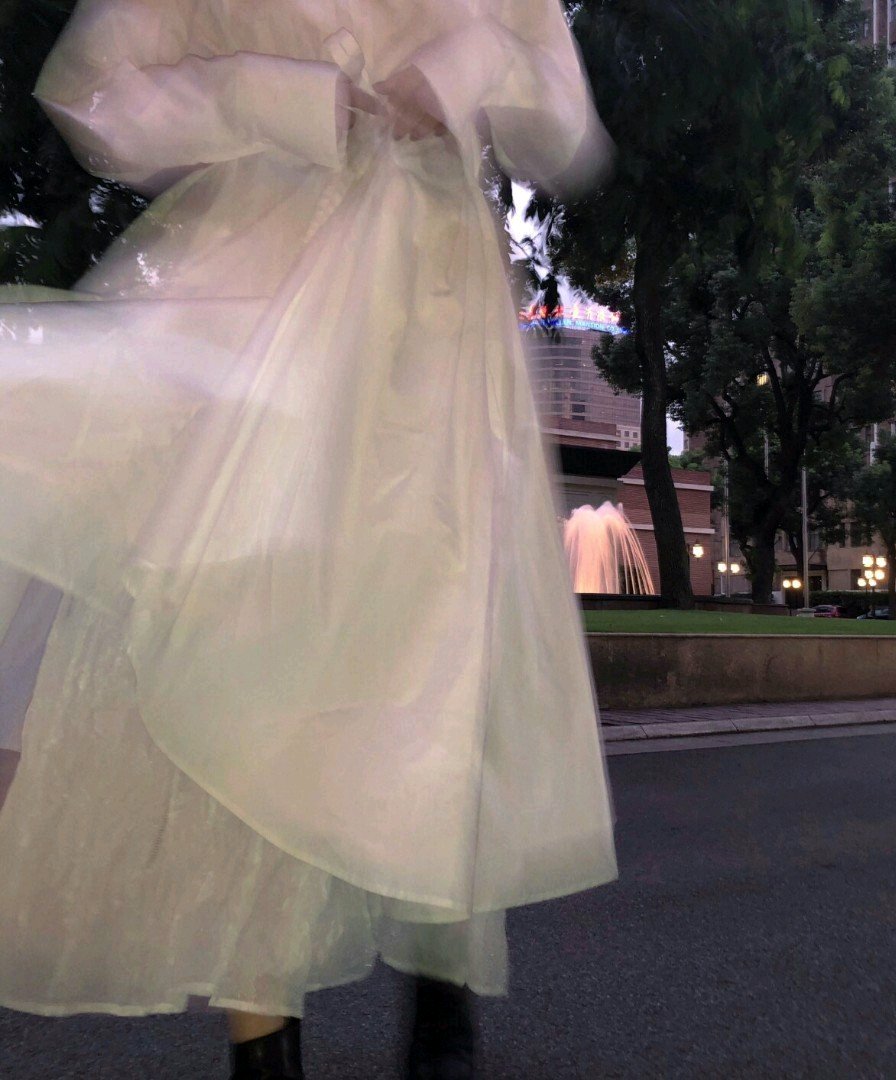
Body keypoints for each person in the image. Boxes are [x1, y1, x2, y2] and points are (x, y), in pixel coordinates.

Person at [0, 0, 617, 1076]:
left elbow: (564, 115)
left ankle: (441, 982)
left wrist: (462, 66)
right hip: (256, 306)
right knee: (249, 657)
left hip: (430, 330)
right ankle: (264, 1040)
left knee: (431, 666)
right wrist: (283, 100)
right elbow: (95, 90)